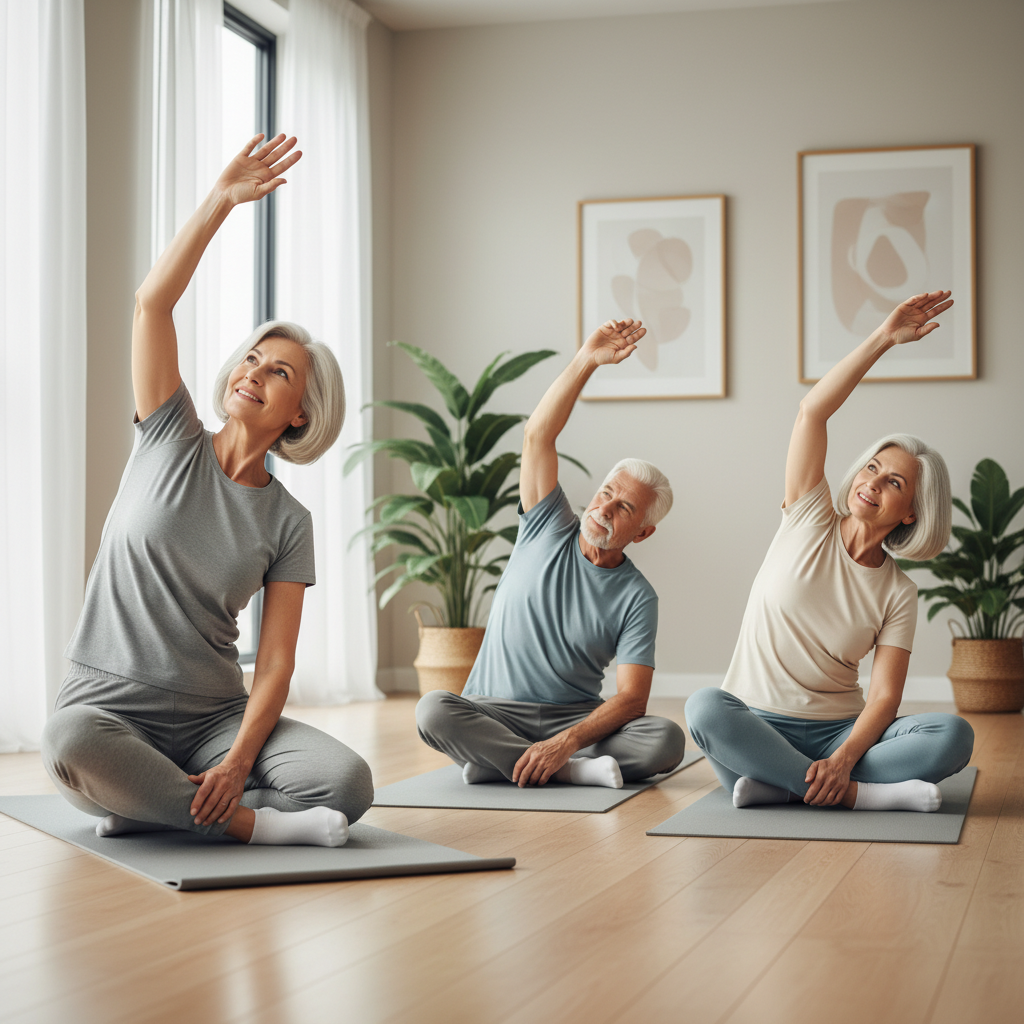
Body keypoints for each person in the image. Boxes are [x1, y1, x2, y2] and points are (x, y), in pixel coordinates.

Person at [41, 134, 372, 848]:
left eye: (279, 372)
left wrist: (238, 757)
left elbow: (277, 663)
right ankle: (254, 825)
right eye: (252, 358)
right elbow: (150, 307)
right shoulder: (170, 434)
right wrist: (221, 200)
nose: (253, 371)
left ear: (303, 413)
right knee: (67, 741)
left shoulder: (289, 521)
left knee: (347, 783)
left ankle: (156, 803)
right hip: (108, 708)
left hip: (211, 719)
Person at [685, 290, 974, 814]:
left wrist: (842, 757)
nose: (873, 483)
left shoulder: (898, 592)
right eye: (871, 468)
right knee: (704, 708)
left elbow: (885, 699)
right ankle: (863, 796)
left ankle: (786, 785)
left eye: (893, 483)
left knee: (952, 735)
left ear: (911, 511)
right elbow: (811, 412)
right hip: (753, 724)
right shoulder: (809, 515)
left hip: (836, 733)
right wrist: (884, 338)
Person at [416, 319, 686, 789]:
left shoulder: (638, 597)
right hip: (493, 710)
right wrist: (586, 360)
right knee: (433, 710)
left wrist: (567, 740)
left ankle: (509, 762)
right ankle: (567, 772)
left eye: (623, 507)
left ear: (642, 533)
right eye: (605, 492)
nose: (604, 507)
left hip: (574, 722)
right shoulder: (546, 524)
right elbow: (538, 436)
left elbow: (630, 701)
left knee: (665, 740)